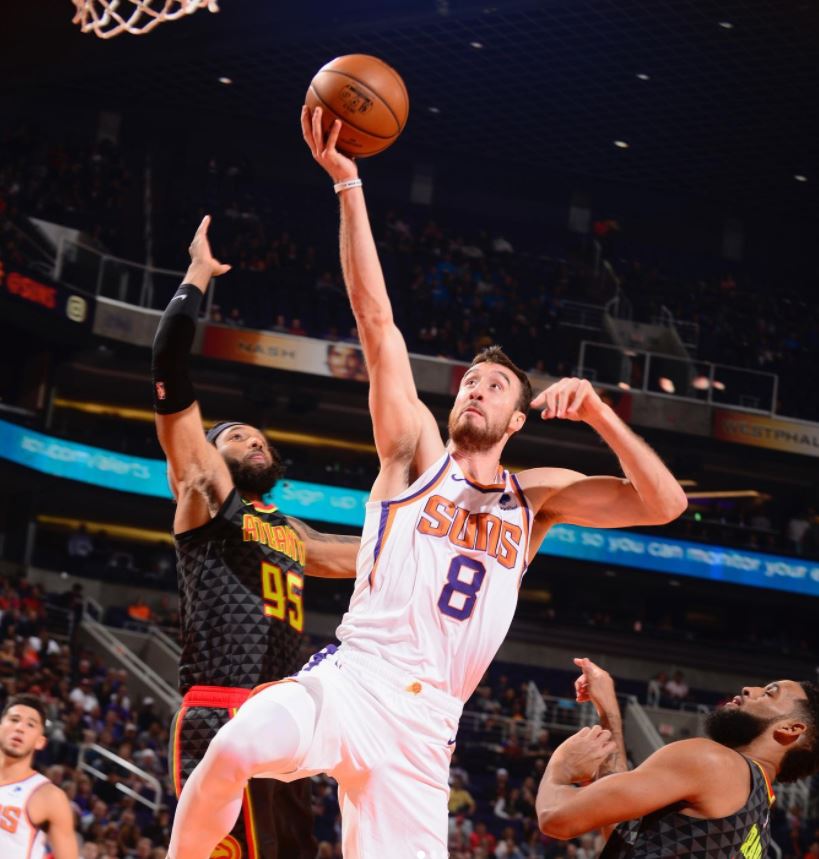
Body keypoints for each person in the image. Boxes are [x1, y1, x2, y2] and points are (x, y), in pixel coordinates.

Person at [164, 111, 687, 859]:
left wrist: (602, 413)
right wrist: (348, 184)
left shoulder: (534, 497)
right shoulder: (414, 452)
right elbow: (375, 321)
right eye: (469, 380)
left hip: (428, 726)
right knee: (235, 747)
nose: (474, 390)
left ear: (516, 418)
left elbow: (664, 505)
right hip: (353, 678)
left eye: (494, 385)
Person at [152, 217, 360, 859]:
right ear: (211, 453)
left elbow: (376, 557)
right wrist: (195, 277)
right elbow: (168, 363)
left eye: (261, 438)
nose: (255, 440)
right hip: (221, 710)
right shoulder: (206, 493)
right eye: (237, 434)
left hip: (286, 721)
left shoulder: (291, 531)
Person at [536, 658, 819, 858]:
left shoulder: (715, 762)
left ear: (791, 729)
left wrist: (560, 767)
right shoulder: (758, 823)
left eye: (770, 693)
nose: (750, 689)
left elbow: (558, 819)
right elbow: (629, 833)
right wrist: (610, 712)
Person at [0, 694, 78, 859]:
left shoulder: (49, 797)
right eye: (14, 720)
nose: (20, 728)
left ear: (40, 742)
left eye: (30, 724)